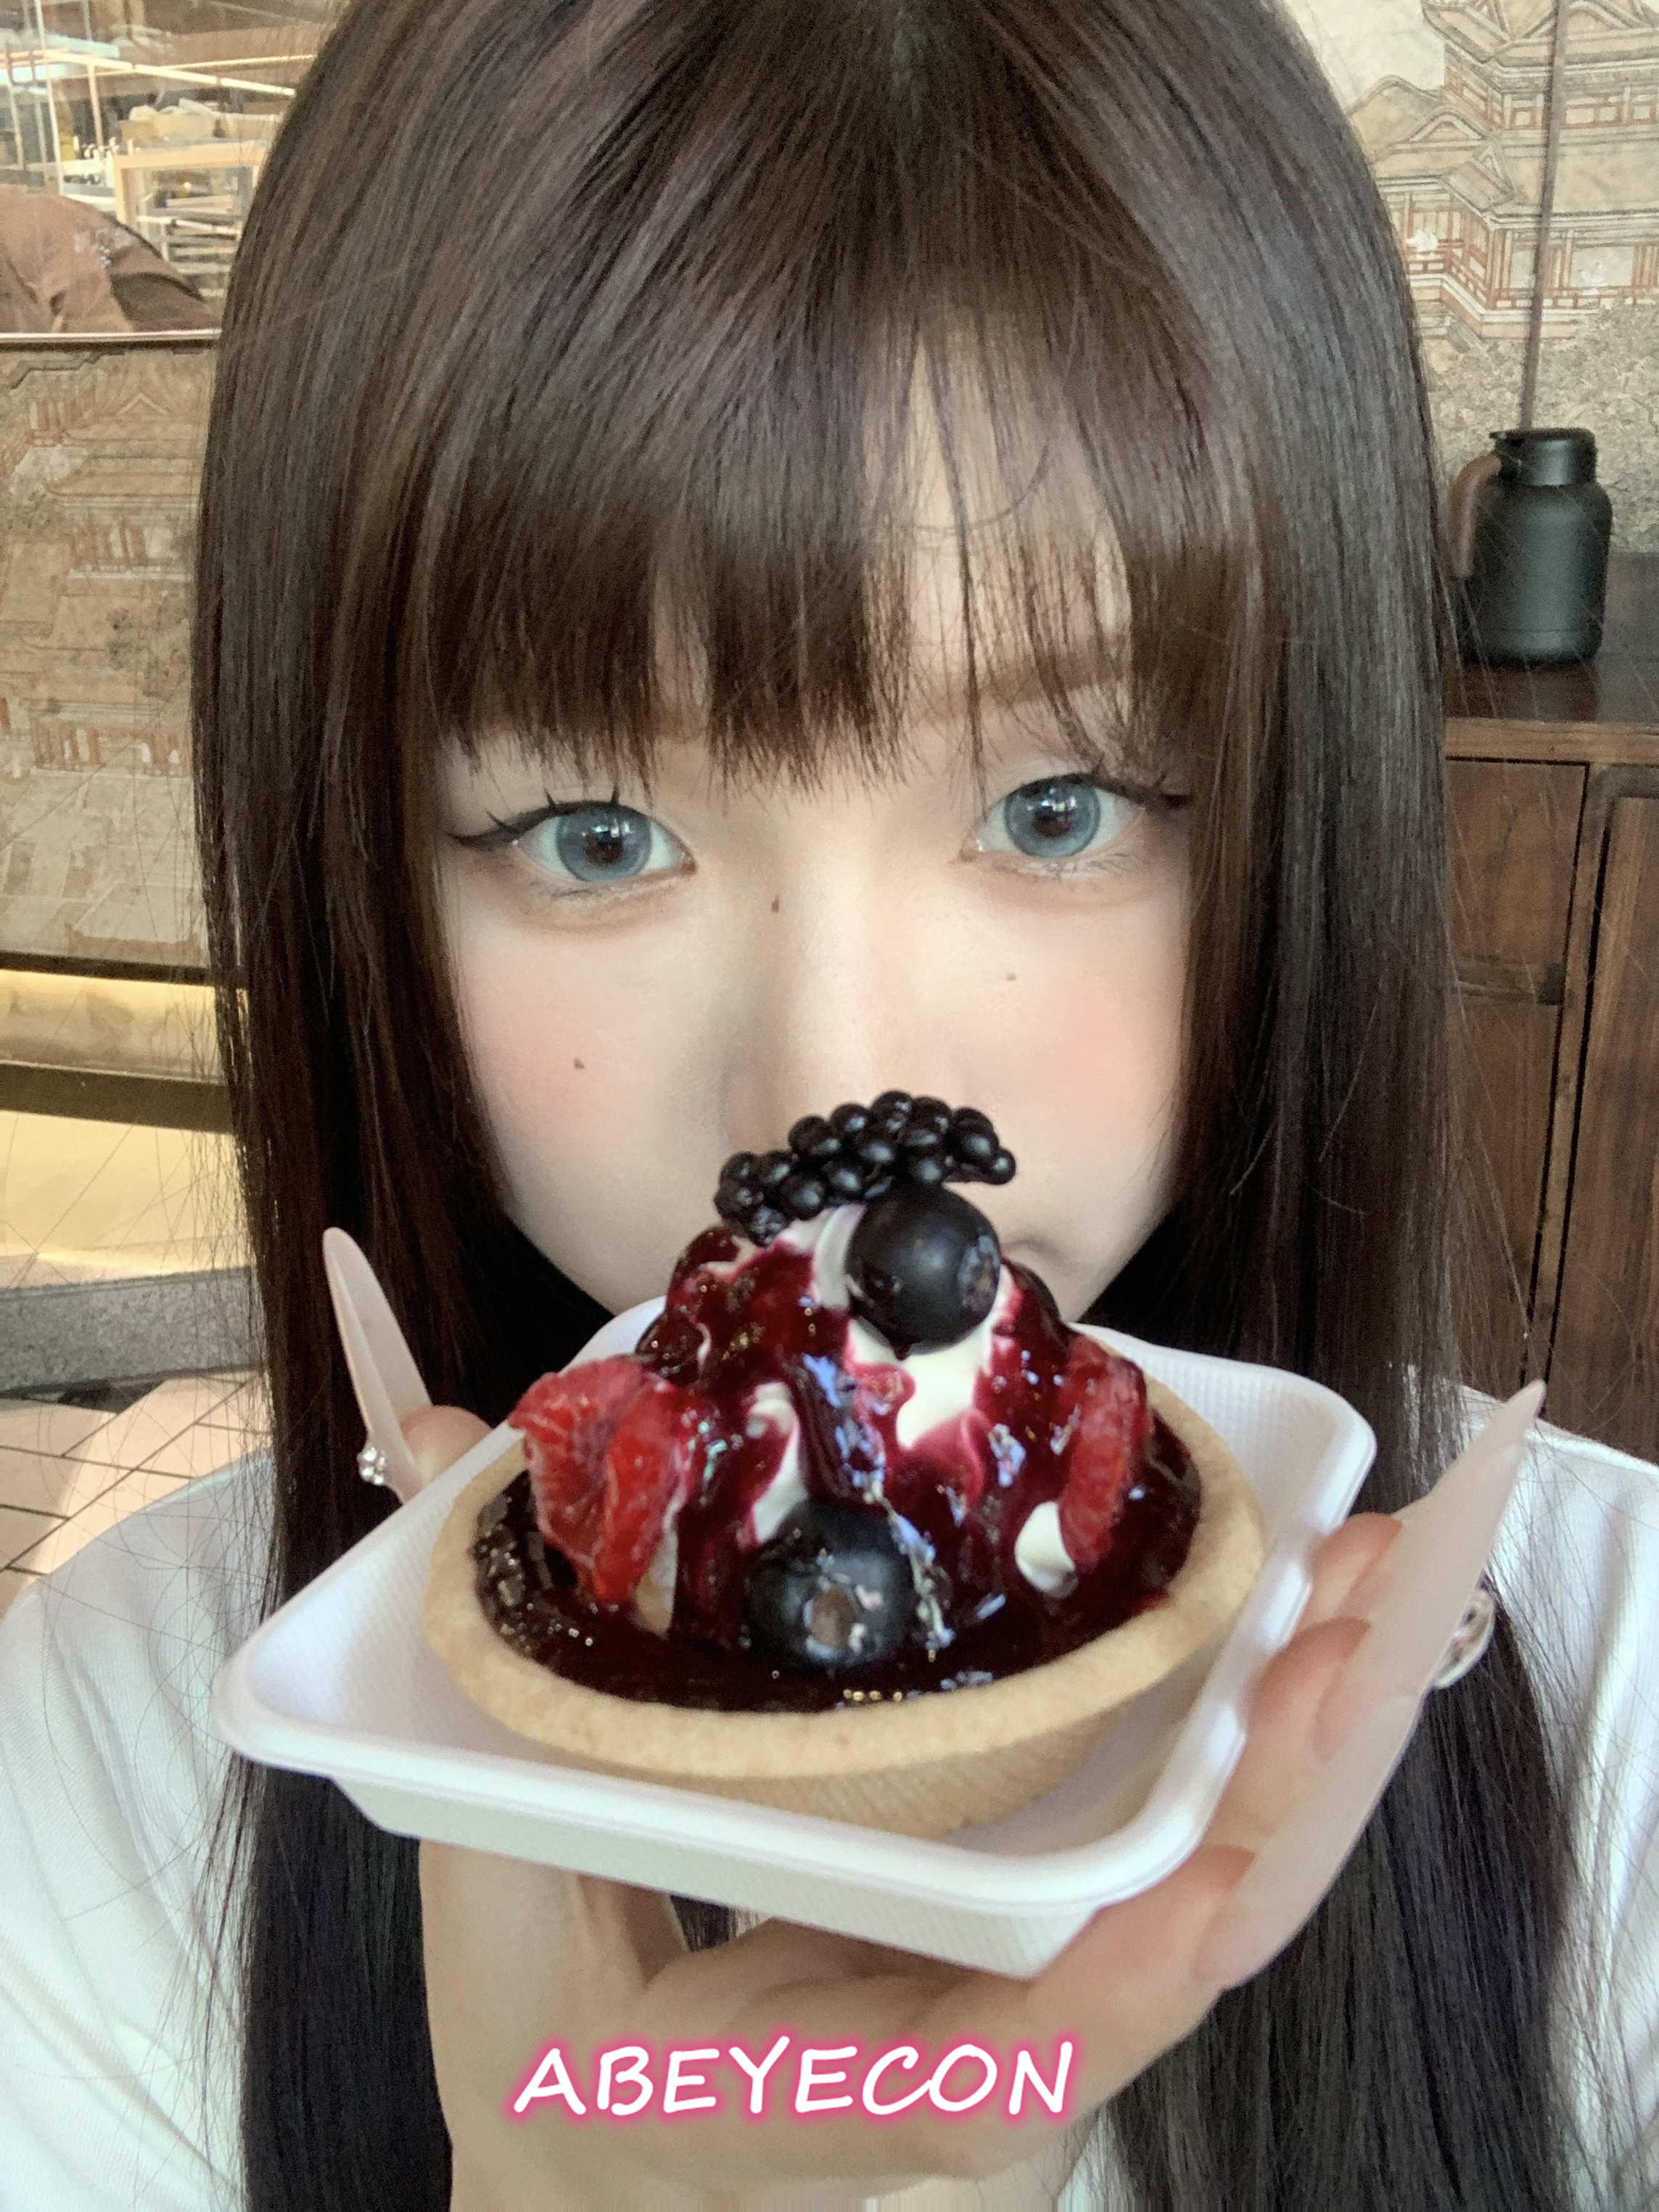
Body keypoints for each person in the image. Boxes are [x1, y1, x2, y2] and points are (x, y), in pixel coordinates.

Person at [1, 0, 1655, 2204]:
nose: (828, 1093)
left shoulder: (1623, 1711)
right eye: (598, 832)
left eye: (1058, 804)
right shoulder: (105, 1763)